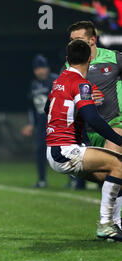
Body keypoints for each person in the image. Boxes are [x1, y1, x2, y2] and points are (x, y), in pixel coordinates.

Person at [45, 39, 122, 241]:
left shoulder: (59, 80)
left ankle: (116, 225)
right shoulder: (82, 83)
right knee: (119, 164)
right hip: (65, 150)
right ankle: (106, 225)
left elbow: (48, 108)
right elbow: (92, 118)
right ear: (90, 59)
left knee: (112, 177)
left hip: (55, 149)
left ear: (68, 60)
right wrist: (118, 140)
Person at [65, 20, 122, 226]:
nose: (73, 45)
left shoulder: (114, 58)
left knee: (117, 164)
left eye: (78, 40)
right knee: (107, 176)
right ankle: (113, 222)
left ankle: (111, 223)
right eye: (71, 41)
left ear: (92, 40)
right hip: (88, 130)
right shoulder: (70, 65)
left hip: (115, 122)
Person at [21, 54, 58, 188]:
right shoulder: (34, 84)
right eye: (37, 68)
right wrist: (31, 124)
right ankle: (42, 180)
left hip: (56, 122)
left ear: (47, 68)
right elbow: (31, 107)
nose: (40, 71)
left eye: (42, 67)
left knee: (63, 151)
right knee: (40, 150)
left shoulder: (55, 80)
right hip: (41, 124)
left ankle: (75, 180)